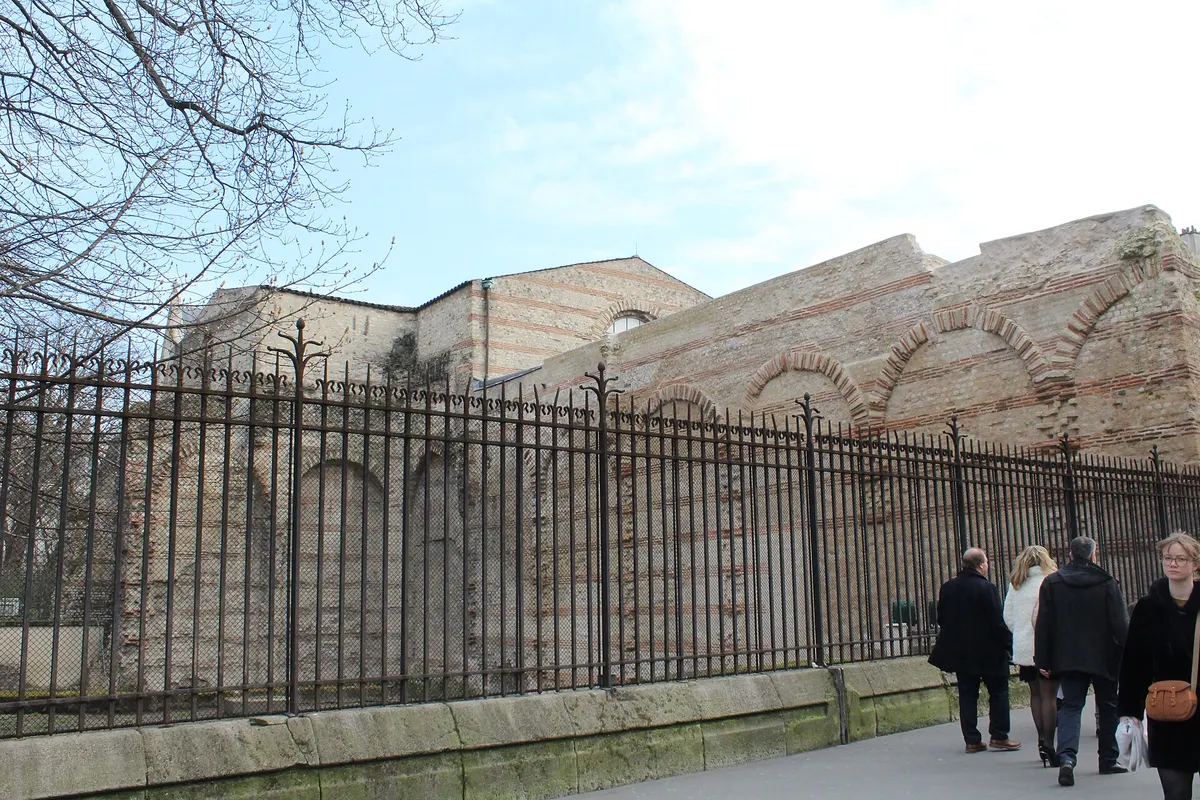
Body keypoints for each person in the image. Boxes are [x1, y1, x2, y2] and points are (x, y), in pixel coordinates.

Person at [1034, 535, 1128, 786]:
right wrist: (1128, 654)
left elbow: (1044, 624)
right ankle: (1108, 759)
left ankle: (1067, 758)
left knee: (1071, 706)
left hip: (1068, 656)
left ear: (1070, 554)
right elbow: (1120, 624)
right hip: (1104, 656)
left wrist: (1042, 659)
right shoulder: (1108, 582)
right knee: (1108, 706)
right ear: (1094, 555)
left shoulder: (1052, 582)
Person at [1118, 532, 1200, 800]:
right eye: (1168, 558)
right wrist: (1129, 711)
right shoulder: (1148, 607)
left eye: (1180, 558)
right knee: (1176, 793)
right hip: (1168, 711)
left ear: (1195, 564)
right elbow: (1134, 662)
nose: (1173, 563)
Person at [928, 547, 1022, 753]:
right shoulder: (987, 588)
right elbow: (997, 622)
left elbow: (941, 618)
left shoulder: (948, 587)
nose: (987, 565)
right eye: (986, 562)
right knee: (998, 692)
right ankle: (999, 735)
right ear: (980, 565)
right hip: (989, 651)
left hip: (962, 652)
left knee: (967, 694)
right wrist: (1009, 645)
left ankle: (972, 739)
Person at [1003, 545, 1060, 766]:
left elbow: (1008, 617)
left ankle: (1041, 741)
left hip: (1025, 647)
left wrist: (1020, 633)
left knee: (1035, 695)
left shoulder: (1016, 585)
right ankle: (1051, 744)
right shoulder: (1051, 581)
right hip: (1047, 647)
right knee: (1050, 696)